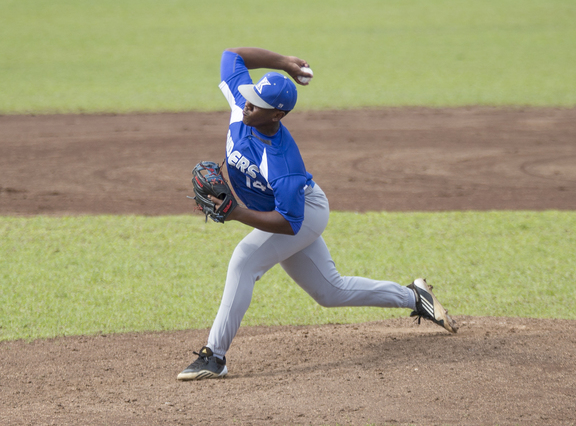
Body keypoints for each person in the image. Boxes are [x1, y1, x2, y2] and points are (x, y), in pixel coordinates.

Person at [177, 47, 458, 381]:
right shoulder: (243, 104)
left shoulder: (283, 163)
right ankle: (414, 296)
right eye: (249, 97)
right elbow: (231, 55)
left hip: (303, 213)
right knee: (330, 292)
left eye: (257, 104)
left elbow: (288, 222)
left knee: (243, 261)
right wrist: (284, 63)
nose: (247, 104)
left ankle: (214, 356)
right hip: (284, 212)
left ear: (276, 116)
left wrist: (236, 212)